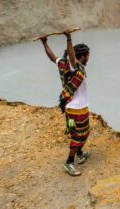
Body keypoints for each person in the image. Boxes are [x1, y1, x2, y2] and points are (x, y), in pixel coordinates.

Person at [40, 30, 91, 176]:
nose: (88, 58)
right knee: (78, 136)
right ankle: (69, 162)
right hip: (77, 109)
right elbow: (72, 58)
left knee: (82, 132)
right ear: (81, 56)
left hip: (72, 107)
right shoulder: (74, 66)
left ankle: (80, 154)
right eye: (87, 55)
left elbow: (52, 57)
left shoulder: (62, 64)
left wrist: (44, 43)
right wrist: (68, 39)